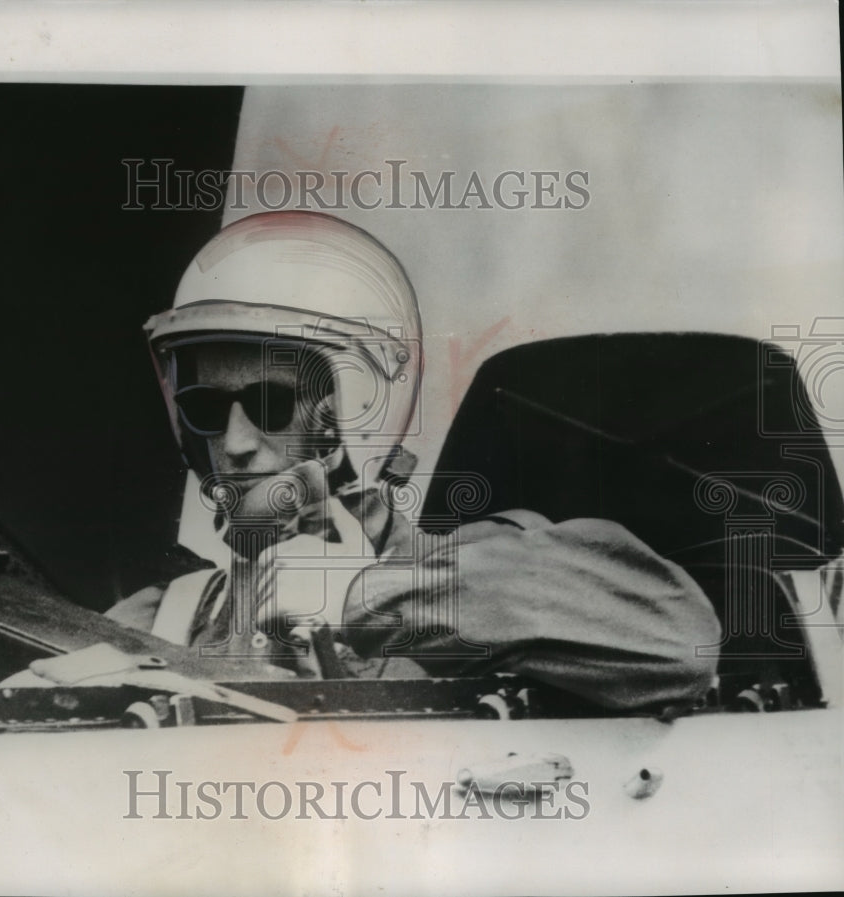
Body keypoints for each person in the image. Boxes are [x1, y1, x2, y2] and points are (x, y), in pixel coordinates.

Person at [107, 210, 721, 711]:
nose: (235, 442)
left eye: (271, 402)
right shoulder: (166, 617)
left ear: (363, 406)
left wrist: (357, 594)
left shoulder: (492, 569)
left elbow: (678, 643)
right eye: (206, 408)